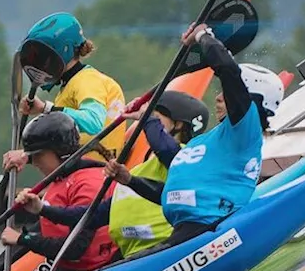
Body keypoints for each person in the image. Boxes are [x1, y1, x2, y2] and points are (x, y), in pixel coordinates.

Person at [116, 22, 286, 249]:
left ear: (250, 100)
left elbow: (227, 69)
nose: (217, 97)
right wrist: (130, 180)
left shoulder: (245, 130)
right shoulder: (206, 142)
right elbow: (171, 193)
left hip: (207, 231)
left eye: (224, 92)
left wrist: (203, 35)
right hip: (182, 232)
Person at [12, 91, 211, 259]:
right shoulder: (140, 169)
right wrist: (43, 209)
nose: (147, 123)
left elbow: (166, 150)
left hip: (161, 250)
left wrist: (147, 117)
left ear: (178, 125)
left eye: (155, 119)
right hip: (131, 254)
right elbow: (91, 215)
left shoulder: (183, 160)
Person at [0, 111, 119, 271]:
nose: (35, 162)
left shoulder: (88, 184)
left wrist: (23, 239)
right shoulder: (64, 173)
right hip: (69, 269)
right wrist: (25, 158)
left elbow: (76, 249)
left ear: (60, 152)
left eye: (38, 156)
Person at [8, 12, 127, 162]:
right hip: (80, 174)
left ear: (63, 50)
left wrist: (47, 109)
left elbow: (93, 122)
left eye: (41, 56)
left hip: (96, 176)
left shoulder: (87, 80)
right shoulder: (69, 87)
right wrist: (27, 157)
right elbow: (62, 147)